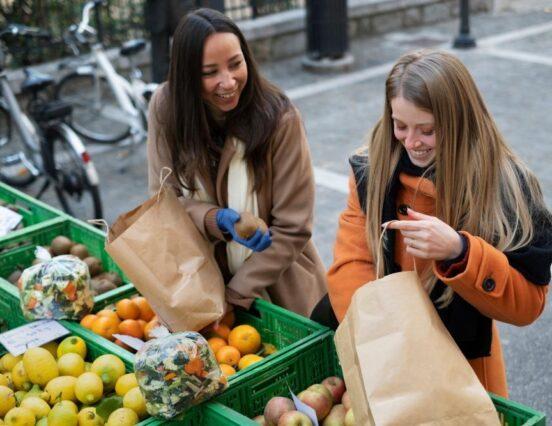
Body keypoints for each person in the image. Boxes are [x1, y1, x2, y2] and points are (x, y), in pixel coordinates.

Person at [311, 49, 552, 397]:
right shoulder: (370, 169)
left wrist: (461, 251)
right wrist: (386, 342)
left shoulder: (505, 185)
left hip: (463, 365)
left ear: (458, 122)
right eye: (400, 125)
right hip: (382, 354)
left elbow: (528, 304)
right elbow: (353, 264)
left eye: (427, 130)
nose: (411, 142)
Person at [147, 8, 327, 317]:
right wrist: (214, 219)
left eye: (235, 64)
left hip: (279, 288)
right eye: (209, 72)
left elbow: (293, 228)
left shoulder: (279, 119)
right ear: (187, 74)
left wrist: (236, 294)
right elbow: (163, 203)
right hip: (199, 285)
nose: (228, 82)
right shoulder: (167, 108)